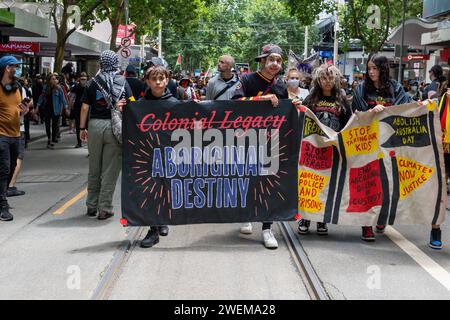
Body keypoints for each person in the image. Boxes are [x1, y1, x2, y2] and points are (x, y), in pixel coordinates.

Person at [232, 43, 289, 249]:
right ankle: (246, 215)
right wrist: (260, 99)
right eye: (271, 59)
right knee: (248, 178)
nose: (274, 64)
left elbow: (284, 114)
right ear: (262, 61)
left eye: (278, 60)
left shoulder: (281, 86)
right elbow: (235, 103)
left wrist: (294, 107)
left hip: (271, 140)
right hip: (246, 139)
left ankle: (267, 228)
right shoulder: (247, 80)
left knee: (269, 184)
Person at [352, 53, 412, 242]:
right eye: (369, 68)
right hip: (366, 143)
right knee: (367, 183)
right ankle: (366, 225)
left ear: (383, 69)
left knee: (389, 182)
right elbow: (357, 113)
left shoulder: (396, 88)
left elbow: (405, 109)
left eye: (375, 68)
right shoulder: (361, 88)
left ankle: (382, 216)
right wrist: (371, 111)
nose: (371, 72)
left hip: (390, 143)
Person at [297, 64, 352, 236]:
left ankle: (322, 220)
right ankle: (305, 217)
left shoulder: (341, 98)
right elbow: (301, 118)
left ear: (335, 79)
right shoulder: (310, 98)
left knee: (327, 185)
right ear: (318, 80)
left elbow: (348, 122)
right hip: (312, 149)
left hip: (332, 149)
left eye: (330, 78)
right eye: (323, 78)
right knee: (309, 183)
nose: (327, 82)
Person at [79, 50, 134, 220]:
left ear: (101, 63)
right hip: (114, 127)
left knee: (94, 168)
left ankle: (91, 205)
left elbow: (85, 108)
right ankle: (105, 208)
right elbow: (132, 104)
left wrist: (82, 128)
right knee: (110, 170)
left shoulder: (92, 82)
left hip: (95, 125)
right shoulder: (122, 81)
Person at [136, 65, 178, 248]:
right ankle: (153, 230)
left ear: (167, 80)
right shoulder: (140, 104)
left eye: (161, 78)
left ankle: (163, 220)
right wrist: (123, 110)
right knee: (152, 191)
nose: (158, 82)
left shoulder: (175, 103)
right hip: (148, 154)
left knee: (166, 188)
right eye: (154, 79)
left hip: (169, 154)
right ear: (147, 81)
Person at [0, 56, 30, 221]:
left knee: (11, 168)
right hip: (1, 135)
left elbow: (18, 111)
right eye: (14, 67)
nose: (17, 69)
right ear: (6, 68)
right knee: (4, 168)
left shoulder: (17, 87)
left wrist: (23, 111)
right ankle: (3, 204)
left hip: (16, 133)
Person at [36, 73, 68, 149]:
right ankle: (49, 138)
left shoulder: (59, 88)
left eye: (55, 79)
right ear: (49, 80)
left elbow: (63, 98)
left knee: (54, 125)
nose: (55, 80)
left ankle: (53, 138)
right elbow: (41, 97)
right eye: (53, 79)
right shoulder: (45, 87)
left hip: (56, 109)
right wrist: (37, 106)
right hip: (47, 109)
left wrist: (66, 108)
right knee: (47, 124)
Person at [69, 72, 88, 148]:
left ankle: (86, 141)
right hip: (78, 108)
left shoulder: (89, 87)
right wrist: (69, 108)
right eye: (82, 79)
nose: (83, 80)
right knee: (78, 126)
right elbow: (72, 97)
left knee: (87, 125)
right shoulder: (76, 87)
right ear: (79, 79)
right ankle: (79, 142)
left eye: (84, 79)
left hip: (86, 108)